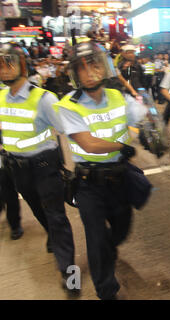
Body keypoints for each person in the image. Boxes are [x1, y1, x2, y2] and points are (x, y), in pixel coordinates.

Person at [53, 41, 150, 300]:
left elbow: (141, 118)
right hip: (89, 184)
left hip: (120, 178)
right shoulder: (68, 104)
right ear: (75, 74)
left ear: (103, 66)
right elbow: (88, 143)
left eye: (94, 64)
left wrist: (150, 128)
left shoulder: (118, 96)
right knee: (96, 240)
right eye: (82, 68)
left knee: (120, 230)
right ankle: (107, 291)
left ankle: (108, 250)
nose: (90, 72)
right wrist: (121, 145)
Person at [0, 42, 76, 293]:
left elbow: (69, 129)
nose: (4, 69)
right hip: (16, 168)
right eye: (0, 64)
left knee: (56, 216)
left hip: (44, 166)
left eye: (9, 63)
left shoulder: (43, 99)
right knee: (37, 209)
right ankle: (52, 236)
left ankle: (68, 272)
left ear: (23, 66)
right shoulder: (0, 96)